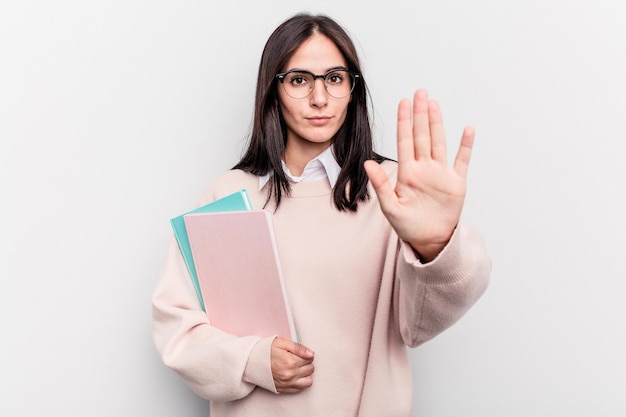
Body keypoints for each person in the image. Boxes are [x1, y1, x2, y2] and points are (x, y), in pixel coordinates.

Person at [152, 12, 490, 417]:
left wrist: (435, 245)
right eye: (299, 80)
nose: (319, 98)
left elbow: (422, 322)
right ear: (273, 90)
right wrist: (253, 360)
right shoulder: (227, 193)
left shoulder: (395, 192)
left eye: (334, 78)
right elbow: (176, 330)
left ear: (352, 89)